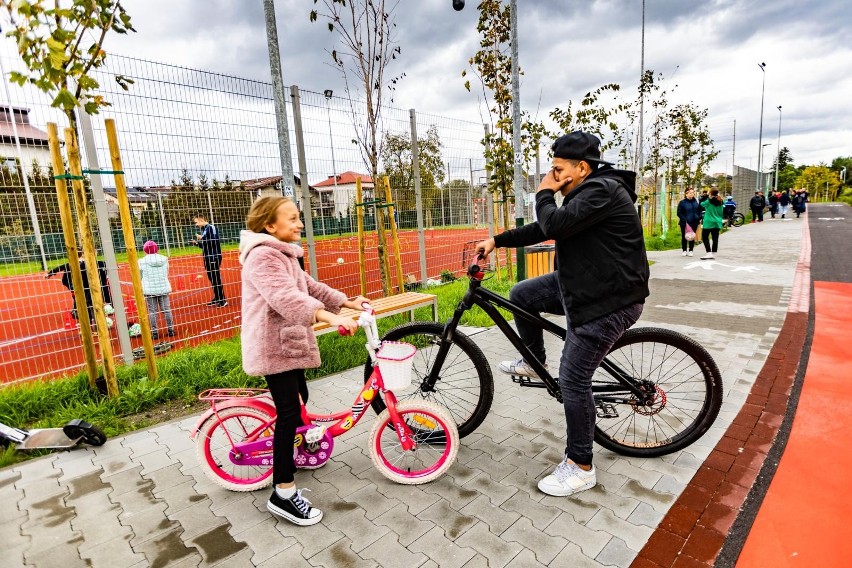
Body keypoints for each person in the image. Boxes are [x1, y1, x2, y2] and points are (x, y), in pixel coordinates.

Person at [475, 132, 649, 498]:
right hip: (582, 285)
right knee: (522, 293)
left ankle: (581, 466)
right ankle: (532, 358)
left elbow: (552, 225)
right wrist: (497, 240)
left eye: (557, 170)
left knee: (572, 378)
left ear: (581, 168)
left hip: (608, 300)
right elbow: (545, 226)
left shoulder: (602, 191)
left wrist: (542, 191)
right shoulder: (587, 194)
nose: (552, 176)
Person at [239, 195, 368, 525]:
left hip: (287, 343)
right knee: (288, 413)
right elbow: (286, 298)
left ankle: (298, 450)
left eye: (299, 218)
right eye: (292, 218)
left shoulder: (283, 254)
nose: (299, 223)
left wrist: (345, 303)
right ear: (270, 225)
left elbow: (309, 286)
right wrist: (330, 318)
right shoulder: (262, 257)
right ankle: (282, 492)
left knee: (302, 401)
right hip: (272, 347)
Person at [46, 247, 112, 324]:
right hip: (77, 286)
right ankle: (84, 315)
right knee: (84, 301)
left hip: (81, 286)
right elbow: (62, 269)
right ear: (83, 254)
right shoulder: (76, 264)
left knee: (84, 301)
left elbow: (61, 268)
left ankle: (84, 315)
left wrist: (50, 273)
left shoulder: (85, 263)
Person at [139, 240, 175, 339]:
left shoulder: (141, 261)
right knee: (166, 309)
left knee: (152, 311)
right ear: (156, 249)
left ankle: (154, 332)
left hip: (149, 289)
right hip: (163, 287)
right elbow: (166, 272)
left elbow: (140, 276)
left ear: (145, 250)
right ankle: (171, 329)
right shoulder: (164, 259)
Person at [192, 213, 226, 307]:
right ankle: (217, 297)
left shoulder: (211, 227)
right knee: (211, 278)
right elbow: (205, 246)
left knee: (216, 278)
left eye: (196, 222)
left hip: (213, 257)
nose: (196, 225)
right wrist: (196, 243)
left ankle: (222, 300)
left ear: (201, 219)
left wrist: (202, 238)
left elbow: (214, 241)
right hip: (207, 257)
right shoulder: (204, 230)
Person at [700, 189, 725, 259]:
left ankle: (709, 252)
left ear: (710, 193)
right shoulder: (721, 201)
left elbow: (701, 203)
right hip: (717, 221)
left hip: (708, 222)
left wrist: (706, 196)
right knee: (715, 238)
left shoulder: (708, 202)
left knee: (705, 237)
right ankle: (713, 252)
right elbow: (721, 211)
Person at [676, 188, 701, 257]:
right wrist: (684, 219)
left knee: (692, 236)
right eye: (690, 193)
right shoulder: (682, 202)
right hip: (685, 223)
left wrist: (699, 217)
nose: (692, 194)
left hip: (694, 222)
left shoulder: (696, 202)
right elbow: (679, 213)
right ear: (686, 194)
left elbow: (699, 210)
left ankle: (691, 250)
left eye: (693, 192)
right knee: (685, 236)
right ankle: (684, 250)